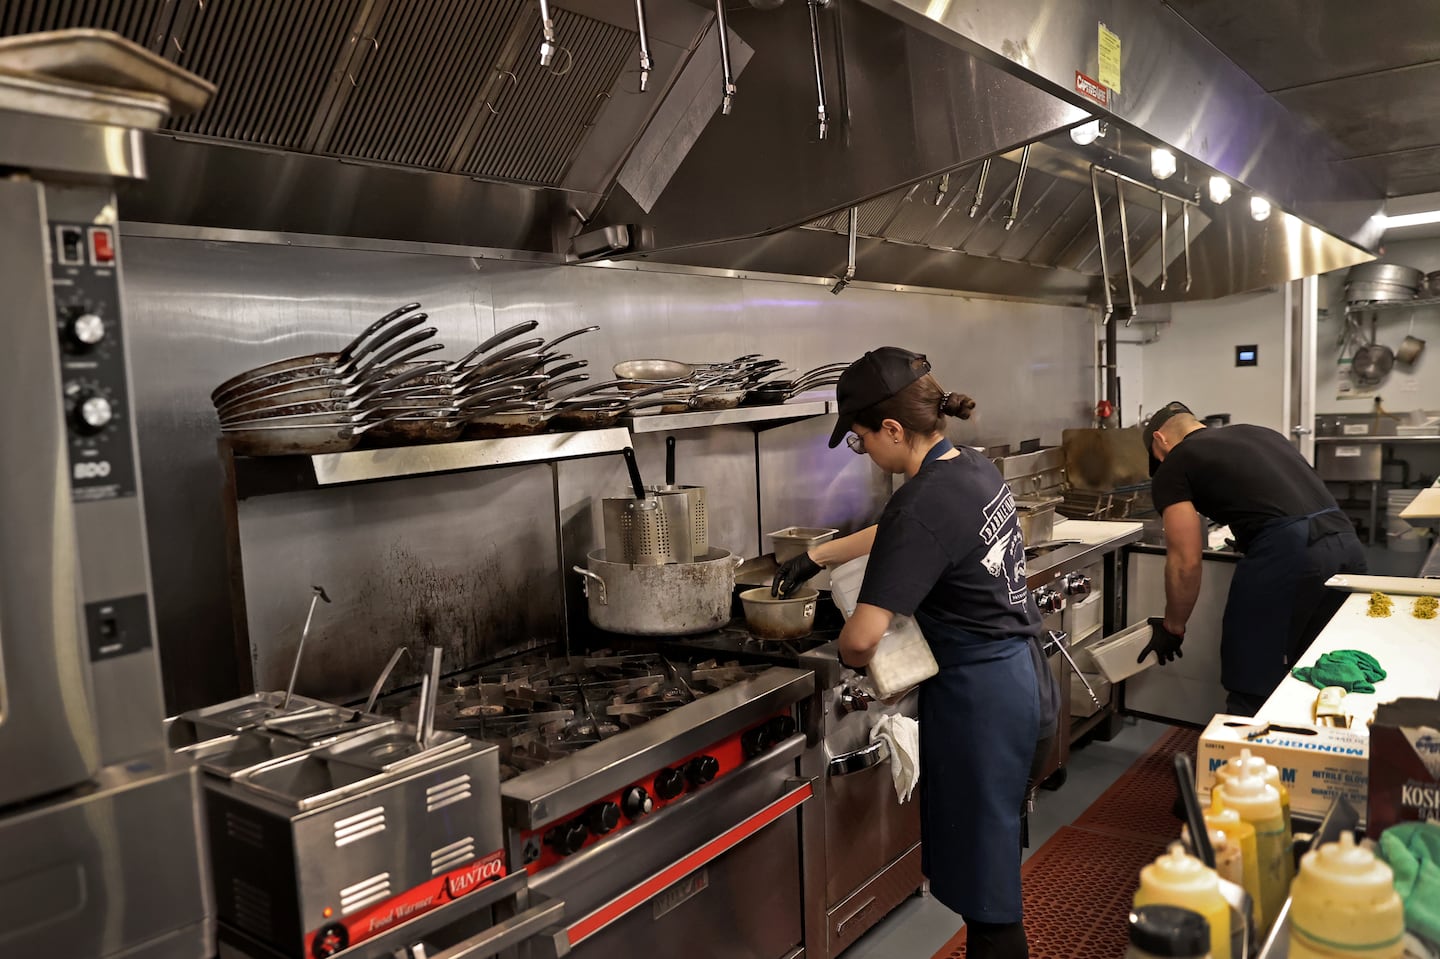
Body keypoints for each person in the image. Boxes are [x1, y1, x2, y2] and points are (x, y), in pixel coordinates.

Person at [771, 347, 1057, 959]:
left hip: (980, 702)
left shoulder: (920, 500)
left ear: (893, 429)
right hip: (1024, 679)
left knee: (989, 900)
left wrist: (846, 652)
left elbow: (862, 638)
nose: (864, 452)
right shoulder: (970, 466)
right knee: (994, 863)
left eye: (860, 439)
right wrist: (818, 557)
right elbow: (911, 528)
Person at [1142, 401, 1367, 716]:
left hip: (1290, 555)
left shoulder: (1176, 462)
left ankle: (1242, 761)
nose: (1162, 465)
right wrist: (1252, 536)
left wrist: (1173, 626)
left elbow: (1185, 562)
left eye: (1158, 459)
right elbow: (1282, 500)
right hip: (1346, 544)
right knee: (1316, 669)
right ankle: (1303, 755)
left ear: (1160, 440)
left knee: (1252, 675)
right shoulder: (1260, 434)